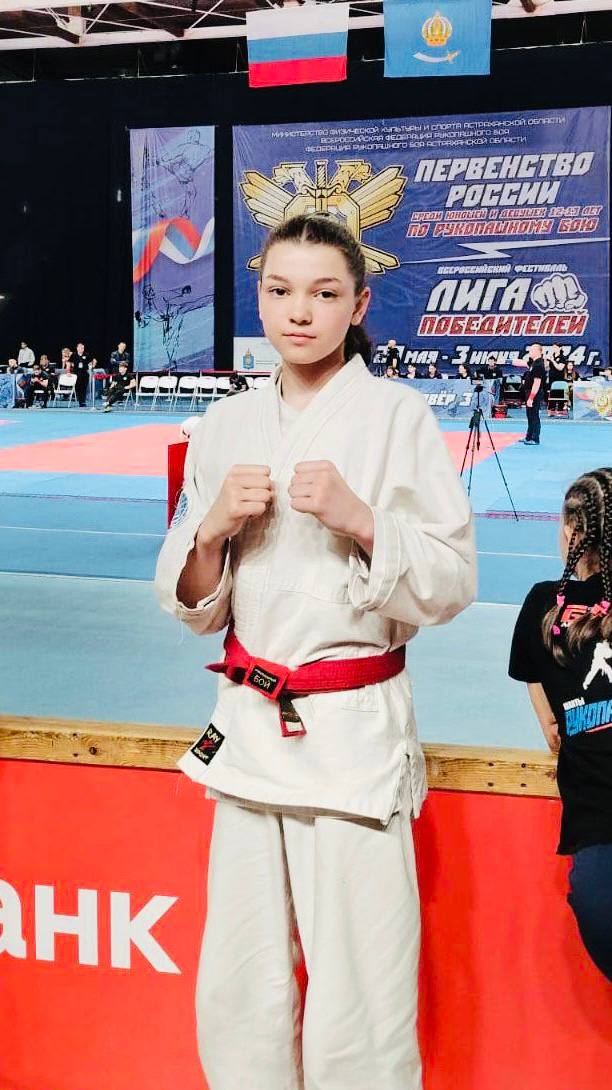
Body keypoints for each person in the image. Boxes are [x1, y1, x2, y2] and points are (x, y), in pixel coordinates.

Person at [154, 214, 476, 1090]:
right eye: (281, 290)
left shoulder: (398, 416)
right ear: (259, 298)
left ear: (358, 305)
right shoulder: (226, 423)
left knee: (361, 999)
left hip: (351, 735)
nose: (299, 312)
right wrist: (211, 531)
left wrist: (362, 520)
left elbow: (451, 581)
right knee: (239, 988)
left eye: (325, 293)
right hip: (248, 728)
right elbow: (191, 602)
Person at [509, 468, 612, 983]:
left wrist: (562, 718)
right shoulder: (545, 607)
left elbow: (544, 707)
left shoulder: (543, 605)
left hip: (597, 826)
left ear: (572, 532)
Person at [520, 343, 547, 445]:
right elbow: (522, 363)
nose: (529, 352)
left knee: (534, 415)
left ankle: (535, 438)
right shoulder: (533, 363)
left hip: (534, 393)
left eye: (531, 350)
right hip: (529, 391)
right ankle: (529, 436)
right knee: (530, 415)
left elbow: (537, 383)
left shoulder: (539, 365)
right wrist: (506, 361)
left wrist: (531, 398)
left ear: (537, 352)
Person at [73, 341, 96, 407]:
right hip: (76, 373)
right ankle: (79, 399)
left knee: (84, 388)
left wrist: (92, 366)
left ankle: (82, 402)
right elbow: (69, 362)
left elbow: (94, 360)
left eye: (83, 348)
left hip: (84, 373)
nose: (81, 349)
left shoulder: (87, 354)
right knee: (78, 387)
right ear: (77, 348)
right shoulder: (74, 355)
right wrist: (68, 371)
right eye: (80, 348)